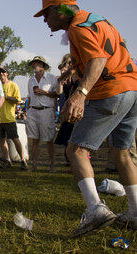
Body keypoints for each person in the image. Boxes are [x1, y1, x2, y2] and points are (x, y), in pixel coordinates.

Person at [34, 0, 137, 237]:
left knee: (75, 151)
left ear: (61, 9)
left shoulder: (77, 28)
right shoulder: (96, 19)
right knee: (121, 153)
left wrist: (80, 94)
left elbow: (98, 60)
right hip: (131, 88)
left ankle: (95, 209)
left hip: (109, 92)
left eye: (46, 13)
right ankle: (135, 211)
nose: (44, 19)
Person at [25, 56, 60, 172]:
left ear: (43, 66)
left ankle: (52, 165)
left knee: (49, 139)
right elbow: (29, 97)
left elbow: (58, 94)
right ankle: (34, 166)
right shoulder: (31, 80)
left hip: (46, 110)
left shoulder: (51, 78)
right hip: (33, 111)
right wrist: (27, 110)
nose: (34, 65)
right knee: (34, 140)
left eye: (37, 63)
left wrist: (44, 92)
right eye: (33, 63)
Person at [0, 66, 28, 170]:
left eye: (3, 72)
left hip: (9, 118)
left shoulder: (13, 85)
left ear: (7, 74)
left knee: (15, 139)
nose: (1, 74)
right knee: (2, 141)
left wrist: (6, 97)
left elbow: (18, 101)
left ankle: (23, 160)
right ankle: (7, 160)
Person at [54, 54, 80, 166]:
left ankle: (82, 159)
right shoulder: (65, 78)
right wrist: (61, 79)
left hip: (80, 108)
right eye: (66, 63)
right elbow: (59, 92)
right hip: (68, 108)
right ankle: (69, 160)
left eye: (70, 63)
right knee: (67, 135)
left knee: (80, 136)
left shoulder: (81, 74)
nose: (69, 65)